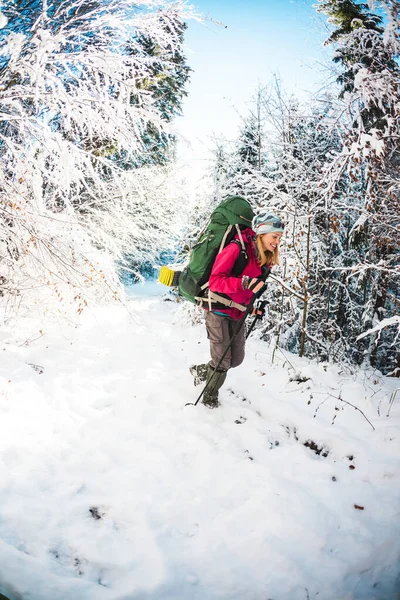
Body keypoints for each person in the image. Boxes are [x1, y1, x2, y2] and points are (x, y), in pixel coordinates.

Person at [190, 213, 285, 408]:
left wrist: (254, 308)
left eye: (279, 238)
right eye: (274, 236)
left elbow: (250, 289)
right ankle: (209, 402)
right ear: (262, 233)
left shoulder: (265, 259)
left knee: (236, 360)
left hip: (238, 312)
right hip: (217, 308)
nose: (277, 242)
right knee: (223, 361)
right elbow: (216, 282)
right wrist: (245, 283)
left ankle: (201, 371)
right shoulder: (236, 248)